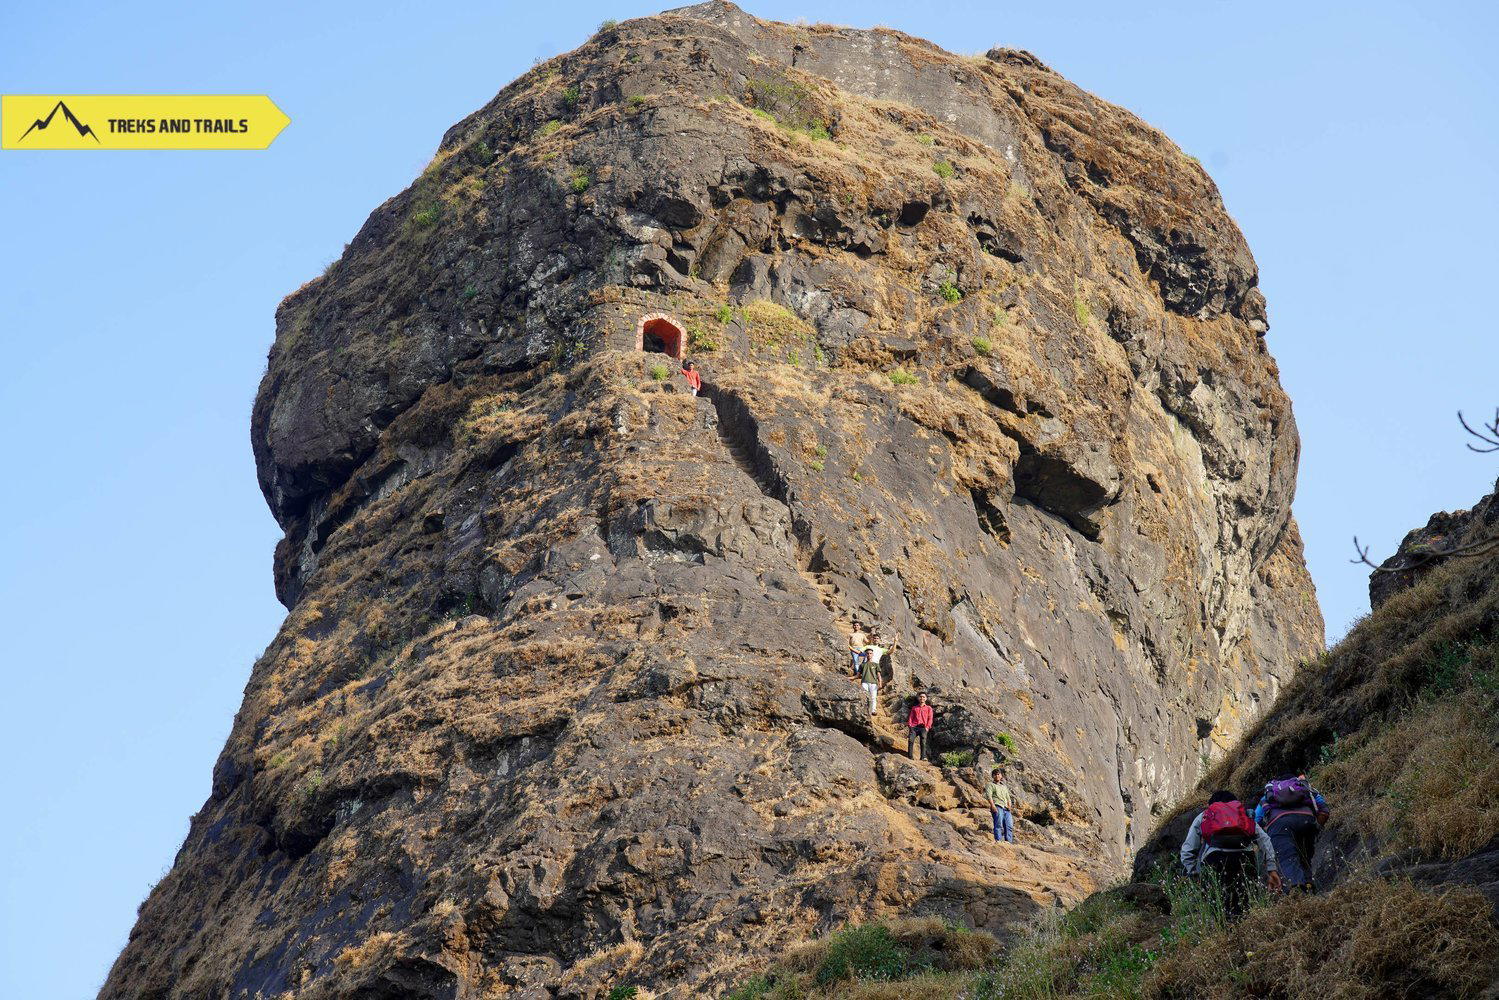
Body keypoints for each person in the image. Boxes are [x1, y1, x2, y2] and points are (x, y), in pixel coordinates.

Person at [1180, 789, 1280, 917]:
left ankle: (1223, 933)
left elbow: (1187, 851)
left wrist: (1195, 874)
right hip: (1245, 860)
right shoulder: (1243, 815)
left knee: (1218, 908)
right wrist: (1272, 868)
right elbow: (1265, 840)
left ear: (1212, 805)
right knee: (1245, 906)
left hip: (1215, 860)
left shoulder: (1205, 815)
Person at [1256, 774, 1329, 892]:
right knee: (1304, 858)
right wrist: (1315, 829)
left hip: (1279, 825)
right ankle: (1309, 888)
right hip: (1307, 821)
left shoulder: (1267, 796)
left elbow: (1256, 820)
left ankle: (1298, 894)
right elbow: (1324, 811)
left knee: (1288, 859)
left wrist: (1268, 835)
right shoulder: (1305, 789)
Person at [987, 768, 1014, 844]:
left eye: (998, 774)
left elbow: (1008, 797)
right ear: (993, 776)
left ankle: (1008, 842)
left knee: (1009, 825)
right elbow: (989, 796)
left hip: (1006, 808)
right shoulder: (990, 785)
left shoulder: (1004, 787)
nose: (997, 776)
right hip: (997, 806)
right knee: (998, 824)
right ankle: (998, 841)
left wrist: (1009, 806)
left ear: (1001, 775)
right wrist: (992, 806)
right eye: (995, 774)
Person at [858, 632, 884, 714]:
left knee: (873, 697)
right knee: (865, 695)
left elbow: (879, 675)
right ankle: (864, 709)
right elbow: (857, 675)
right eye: (867, 653)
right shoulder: (863, 665)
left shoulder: (876, 664)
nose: (869, 654)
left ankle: (873, 710)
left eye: (870, 653)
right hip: (864, 681)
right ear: (865, 654)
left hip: (873, 682)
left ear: (872, 654)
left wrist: (880, 683)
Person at [906, 692, 934, 761]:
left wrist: (927, 727)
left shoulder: (929, 708)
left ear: (926, 698)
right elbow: (911, 717)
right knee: (910, 740)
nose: (922, 698)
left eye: (923, 697)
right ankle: (910, 757)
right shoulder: (914, 708)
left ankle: (923, 757)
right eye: (920, 697)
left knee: (923, 741)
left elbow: (930, 718)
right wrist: (910, 725)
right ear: (918, 698)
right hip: (914, 727)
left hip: (923, 727)